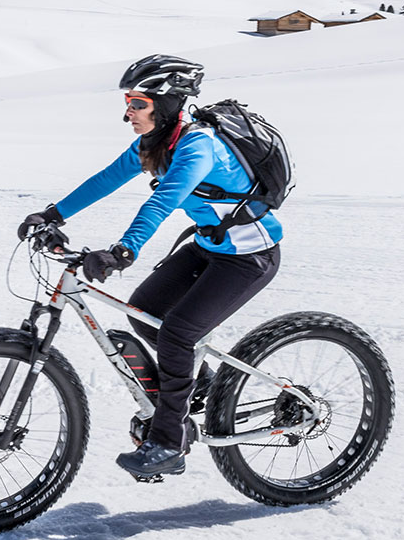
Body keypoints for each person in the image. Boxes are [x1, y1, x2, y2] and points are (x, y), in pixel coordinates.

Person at [16, 54, 282, 480]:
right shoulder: (154, 143)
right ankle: (206, 389)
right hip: (209, 245)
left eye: (137, 103)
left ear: (167, 102)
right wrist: (53, 215)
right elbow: (106, 178)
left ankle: (168, 442)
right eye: (128, 102)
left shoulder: (199, 146)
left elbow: (164, 200)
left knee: (178, 333)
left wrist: (125, 251)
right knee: (144, 313)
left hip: (249, 257)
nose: (128, 113)